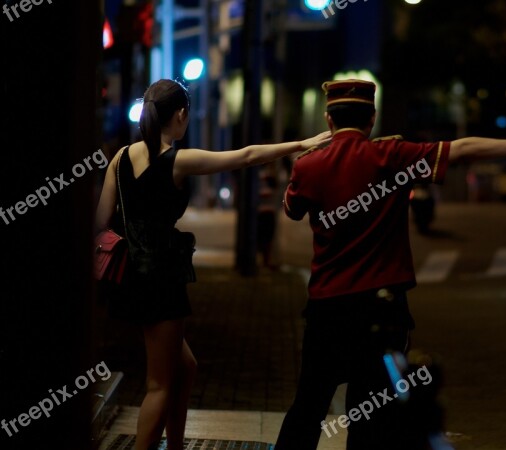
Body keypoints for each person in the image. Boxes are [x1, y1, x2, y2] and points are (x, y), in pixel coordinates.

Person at [276, 79, 506, 450]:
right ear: (372, 118)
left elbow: (292, 210)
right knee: (371, 413)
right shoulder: (393, 155)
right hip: (381, 308)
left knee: (309, 405)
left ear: (328, 118)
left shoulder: (309, 166)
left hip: (328, 307)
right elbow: (463, 149)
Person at [93, 79, 330, 450]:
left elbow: (102, 219)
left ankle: (174, 446)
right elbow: (247, 155)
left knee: (185, 367)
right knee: (159, 384)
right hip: (161, 278)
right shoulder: (177, 159)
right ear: (181, 115)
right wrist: (302, 144)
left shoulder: (120, 158)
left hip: (131, 278)